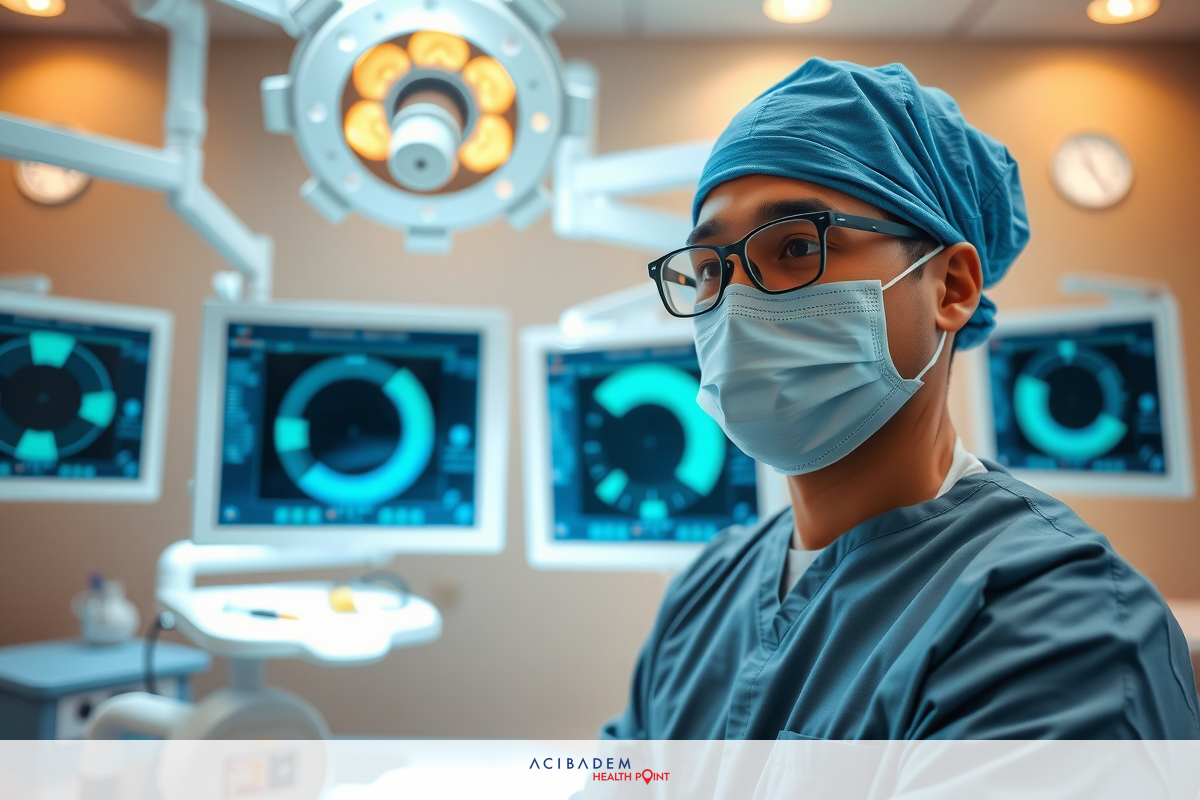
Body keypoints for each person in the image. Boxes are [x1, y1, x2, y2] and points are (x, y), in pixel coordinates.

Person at [606, 58, 1200, 739]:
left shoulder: (1061, 627)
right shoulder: (706, 592)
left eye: (798, 246)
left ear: (951, 288)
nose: (737, 304)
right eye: (711, 269)